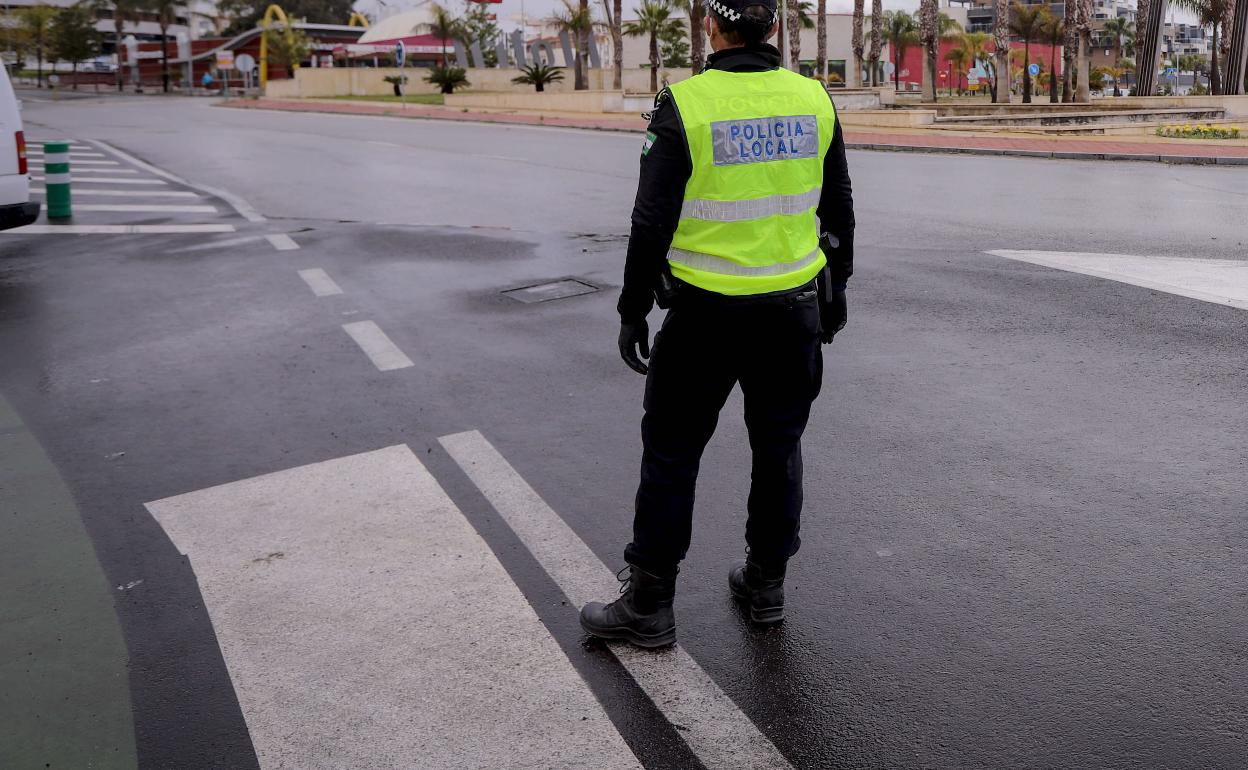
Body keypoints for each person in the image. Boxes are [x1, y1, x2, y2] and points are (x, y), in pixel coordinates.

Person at [579, 0, 855, 648]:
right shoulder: (814, 99)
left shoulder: (686, 104)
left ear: (712, 25)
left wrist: (632, 309)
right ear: (774, 26)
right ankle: (766, 585)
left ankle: (650, 603)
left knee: (672, 452)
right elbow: (838, 205)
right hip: (791, 311)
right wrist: (836, 289)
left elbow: (650, 222)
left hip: (705, 317)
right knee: (778, 448)